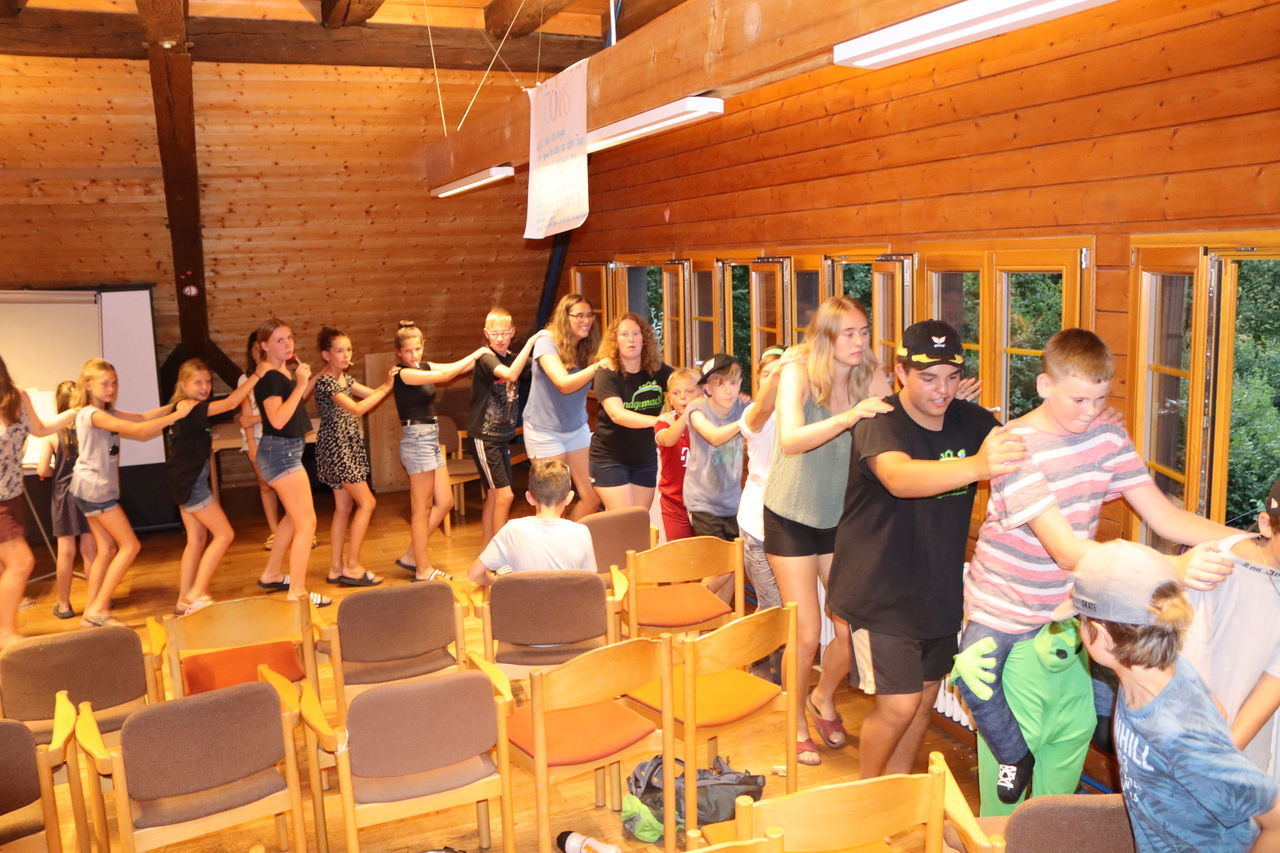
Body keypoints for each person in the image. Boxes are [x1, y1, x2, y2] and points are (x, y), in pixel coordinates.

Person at [955, 328, 1237, 807]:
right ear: (1044, 385)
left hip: (1066, 612)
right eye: (1079, 400)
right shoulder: (1014, 447)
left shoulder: (1108, 435)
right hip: (1004, 610)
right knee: (989, 705)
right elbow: (1066, 551)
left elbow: (1163, 516)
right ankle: (1009, 772)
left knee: (1073, 736)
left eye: (1101, 399)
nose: (1091, 412)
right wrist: (1171, 567)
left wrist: (1244, 542)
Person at [826, 319, 1025, 779]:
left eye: (952, 377)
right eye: (929, 378)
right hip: (878, 591)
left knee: (921, 705)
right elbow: (898, 477)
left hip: (937, 592)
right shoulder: (879, 421)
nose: (943, 390)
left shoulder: (971, 421)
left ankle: (898, 794)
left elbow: (1025, 442)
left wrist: (1083, 421)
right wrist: (977, 465)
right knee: (899, 706)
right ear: (901, 372)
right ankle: (865, 799)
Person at [1065, 539, 1280, 852]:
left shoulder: (1177, 732)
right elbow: (1217, 711)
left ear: (1101, 635)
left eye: (1080, 621)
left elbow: (1276, 821)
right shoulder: (1156, 668)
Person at [762, 296, 893, 767]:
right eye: (848, 334)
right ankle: (794, 720)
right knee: (807, 632)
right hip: (791, 514)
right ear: (826, 337)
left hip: (841, 519)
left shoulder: (869, 374)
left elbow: (902, 424)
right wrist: (849, 416)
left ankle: (823, 696)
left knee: (851, 627)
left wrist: (946, 403)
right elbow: (791, 441)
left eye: (864, 331)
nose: (859, 342)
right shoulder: (798, 371)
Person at [71, 358, 196, 627]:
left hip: (88, 488)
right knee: (130, 546)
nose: (111, 388)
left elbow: (141, 418)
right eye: (105, 384)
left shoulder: (105, 412)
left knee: (106, 549)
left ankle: (91, 611)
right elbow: (139, 431)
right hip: (95, 490)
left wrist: (174, 405)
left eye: (114, 383)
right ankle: (99, 609)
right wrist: (178, 415)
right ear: (88, 385)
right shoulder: (94, 414)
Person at [1183, 474, 1280, 780]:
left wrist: (1227, 754)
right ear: (1266, 524)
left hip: (1242, 747)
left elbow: (1274, 681)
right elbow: (1183, 662)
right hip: (1183, 735)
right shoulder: (1214, 565)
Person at [164, 357, 269, 613]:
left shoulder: (188, 407)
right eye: (197, 382)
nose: (204, 387)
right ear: (183, 385)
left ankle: (184, 599)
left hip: (184, 481)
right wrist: (257, 376)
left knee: (197, 539)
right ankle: (197, 592)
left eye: (208, 382)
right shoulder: (190, 407)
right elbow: (232, 403)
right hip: (191, 484)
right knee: (224, 534)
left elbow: (228, 407)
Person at [391, 320, 487, 581]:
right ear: (399, 352)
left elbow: (457, 368)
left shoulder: (424, 366)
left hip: (431, 439)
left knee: (445, 502)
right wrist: (478, 353)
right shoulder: (403, 374)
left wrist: (484, 355)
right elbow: (445, 377)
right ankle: (422, 569)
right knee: (421, 509)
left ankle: (412, 555)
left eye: (417, 349)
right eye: (408, 351)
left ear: (423, 346)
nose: (414, 355)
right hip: (416, 441)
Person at [0, 355, 80, 647]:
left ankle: (6, 629)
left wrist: (75, 412)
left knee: (9, 565)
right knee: (21, 562)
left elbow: (40, 429)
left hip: (12, 495)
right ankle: (6, 633)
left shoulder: (16, 396)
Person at [251, 319, 328, 607]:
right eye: (279, 340)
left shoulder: (281, 372)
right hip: (280, 453)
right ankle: (298, 592)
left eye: (290, 338)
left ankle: (272, 573)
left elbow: (291, 407)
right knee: (307, 523)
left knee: (292, 519)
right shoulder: (270, 377)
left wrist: (305, 383)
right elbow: (277, 420)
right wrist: (301, 385)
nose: (287, 344)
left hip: (285, 451)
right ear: (264, 346)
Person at [314, 326, 395, 587]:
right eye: (339, 350)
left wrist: (394, 382)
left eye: (348, 349)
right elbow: (357, 409)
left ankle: (336, 568)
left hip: (346, 445)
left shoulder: (345, 379)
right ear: (326, 354)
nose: (346, 355)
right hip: (338, 447)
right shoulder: (326, 381)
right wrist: (386, 386)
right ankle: (352, 566)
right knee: (367, 503)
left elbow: (373, 395)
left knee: (343, 508)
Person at [524, 294, 607, 520]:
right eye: (579, 315)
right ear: (564, 317)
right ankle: (550, 542)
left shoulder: (589, 346)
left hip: (576, 428)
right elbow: (563, 384)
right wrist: (596, 367)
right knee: (552, 501)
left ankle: (567, 536)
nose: (586, 320)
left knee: (593, 496)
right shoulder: (546, 342)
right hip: (544, 431)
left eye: (589, 315)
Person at [467, 309, 543, 546]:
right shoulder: (486, 358)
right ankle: (500, 553)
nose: (499, 338)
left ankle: (487, 548)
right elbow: (510, 375)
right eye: (495, 333)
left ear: (512, 333)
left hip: (502, 438)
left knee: (494, 495)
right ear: (486, 334)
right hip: (485, 437)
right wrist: (531, 342)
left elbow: (541, 369)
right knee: (505, 496)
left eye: (504, 333)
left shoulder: (514, 358)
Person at [589, 313, 672, 512]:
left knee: (640, 519)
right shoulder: (607, 373)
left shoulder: (657, 370)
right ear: (615, 341)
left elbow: (687, 384)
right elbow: (617, 415)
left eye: (636, 334)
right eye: (624, 334)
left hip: (644, 457)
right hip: (609, 457)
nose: (631, 339)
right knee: (624, 519)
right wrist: (658, 420)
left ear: (644, 339)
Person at [468, 458, 597, 584]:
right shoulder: (581, 532)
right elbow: (590, 580)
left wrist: (498, 582)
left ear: (529, 497)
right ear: (569, 498)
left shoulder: (512, 529)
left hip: (524, 598)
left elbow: (474, 574)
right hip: (567, 598)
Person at [35, 379, 96, 620]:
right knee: (90, 550)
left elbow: (42, 470)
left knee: (66, 551)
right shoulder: (88, 430)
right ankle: (95, 601)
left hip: (63, 497)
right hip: (88, 493)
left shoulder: (51, 435)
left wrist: (54, 472)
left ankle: (64, 605)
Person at [683, 353, 749, 541]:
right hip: (703, 502)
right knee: (716, 557)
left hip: (734, 502)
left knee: (735, 556)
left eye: (733, 383)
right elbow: (713, 436)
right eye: (720, 384)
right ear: (707, 388)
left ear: (740, 383)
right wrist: (745, 422)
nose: (728, 391)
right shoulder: (697, 409)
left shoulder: (743, 408)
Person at [738, 348, 785, 610]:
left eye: (778, 374)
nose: (773, 380)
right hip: (758, 525)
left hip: (791, 525)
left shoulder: (801, 413)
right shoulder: (752, 414)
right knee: (772, 608)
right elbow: (765, 407)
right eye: (766, 374)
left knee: (787, 608)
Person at [237, 331, 282, 551]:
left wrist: (259, 417)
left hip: (280, 436)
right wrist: (251, 445)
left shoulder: (279, 373)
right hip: (256, 438)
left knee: (286, 487)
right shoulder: (245, 379)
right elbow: (245, 418)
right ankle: (275, 532)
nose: (260, 353)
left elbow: (284, 411)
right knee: (265, 486)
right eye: (256, 349)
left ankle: (298, 529)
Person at [654, 367, 701, 541]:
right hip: (674, 501)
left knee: (707, 550)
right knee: (679, 549)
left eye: (689, 391)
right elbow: (667, 440)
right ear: (669, 398)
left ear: (701, 393)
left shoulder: (708, 420)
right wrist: (687, 414)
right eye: (676, 393)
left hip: (704, 501)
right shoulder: (665, 422)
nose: (683, 397)